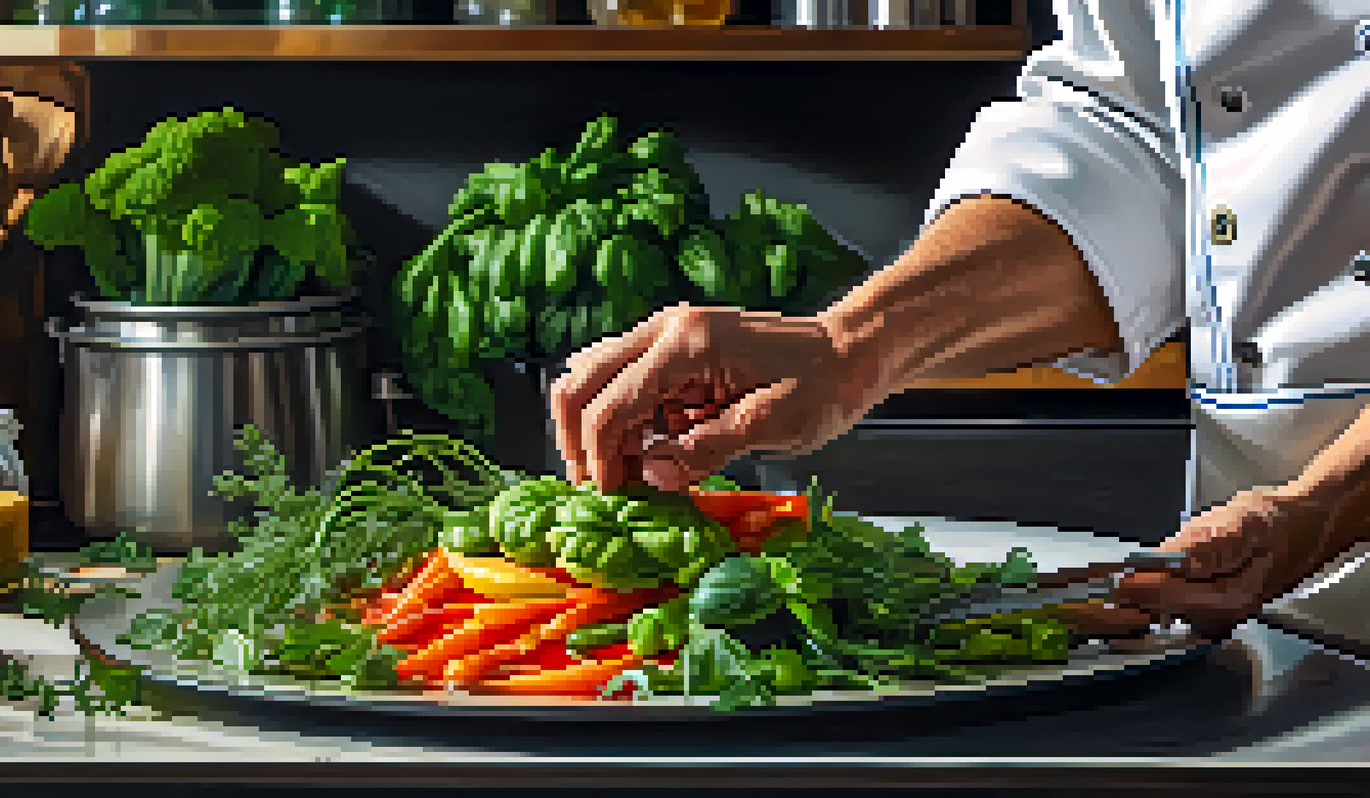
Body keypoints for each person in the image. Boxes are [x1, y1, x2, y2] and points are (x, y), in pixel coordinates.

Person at [549, 1, 1370, 642]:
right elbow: (1144, 136)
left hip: (1298, 534)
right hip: (1267, 610)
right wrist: (848, 347)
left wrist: (1323, 506)